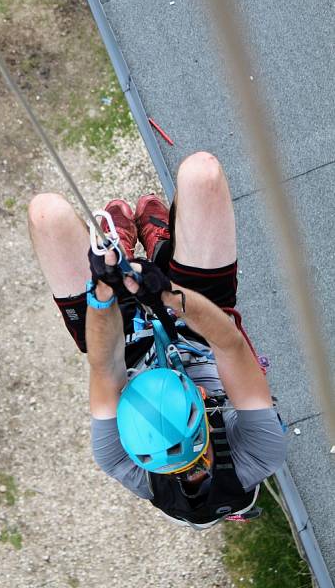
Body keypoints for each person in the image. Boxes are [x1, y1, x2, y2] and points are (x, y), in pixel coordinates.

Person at [28, 151, 288, 528]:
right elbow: (228, 343)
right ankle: (162, 248)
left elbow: (106, 366)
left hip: (128, 346)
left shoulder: (115, 457)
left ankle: (128, 248)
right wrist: (167, 293)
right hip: (201, 337)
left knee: (45, 214)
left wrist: (103, 289)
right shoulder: (258, 453)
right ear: (201, 398)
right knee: (203, 174)